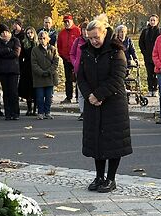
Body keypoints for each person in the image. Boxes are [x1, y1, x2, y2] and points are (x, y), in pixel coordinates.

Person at [77, 14, 132, 193]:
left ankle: (111, 178)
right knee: (96, 141)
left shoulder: (116, 50)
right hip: (93, 102)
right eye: (90, 37)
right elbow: (81, 77)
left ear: (104, 33)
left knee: (113, 142)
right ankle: (99, 176)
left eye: (96, 37)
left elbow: (117, 78)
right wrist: (89, 96)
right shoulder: (86, 51)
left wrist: (99, 95)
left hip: (113, 103)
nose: (93, 41)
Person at [0, 24, 21, 120]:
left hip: (13, 70)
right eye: (2, 33)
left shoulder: (15, 40)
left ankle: (15, 112)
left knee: (13, 92)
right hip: (2, 71)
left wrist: (3, 54)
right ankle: (8, 113)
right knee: (6, 92)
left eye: (6, 32)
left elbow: (16, 53)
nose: (5, 34)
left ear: (9, 33)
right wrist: (7, 50)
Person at [31, 31, 59, 120]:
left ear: (48, 39)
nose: (42, 40)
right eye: (40, 38)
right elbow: (34, 64)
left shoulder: (53, 49)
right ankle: (40, 112)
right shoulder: (35, 50)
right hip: (39, 77)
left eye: (43, 38)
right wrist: (41, 72)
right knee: (39, 97)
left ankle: (47, 112)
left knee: (48, 97)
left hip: (50, 77)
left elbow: (56, 62)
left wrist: (49, 71)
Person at [58, 14, 81, 104]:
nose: (67, 23)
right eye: (65, 22)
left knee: (78, 78)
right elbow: (59, 46)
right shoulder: (62, 33)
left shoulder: (77, 31)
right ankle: (68, 97)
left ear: (72, 21)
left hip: (76, 58)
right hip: (66, 59)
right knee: (68, 79)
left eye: (68, 21)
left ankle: (78, 97)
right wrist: (62, 55)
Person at [70, 21, 89, 121]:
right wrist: (75, 62)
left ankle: (90, 111)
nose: (85, 32)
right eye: (83, 30)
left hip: (90, 70)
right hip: (79, 70)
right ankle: (83, 112)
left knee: (89, 91)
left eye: (87, 30)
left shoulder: (92, 41)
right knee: (81, 92)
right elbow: (72, 54)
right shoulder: (78, 41)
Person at [139, 14, 161, 97]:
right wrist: (144, 52)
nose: (152, 22)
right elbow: (141, 43)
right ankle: (150, 89)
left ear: (157, 21)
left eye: (154, 20)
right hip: (147, 56)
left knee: (156, 73)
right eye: (151, 20)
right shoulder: (145, 31)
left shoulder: (159, 31)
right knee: (149, 73)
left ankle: (155, 89)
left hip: (157, 56)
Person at [19, 26, 38, 116]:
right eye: (28, 33)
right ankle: (29, 108)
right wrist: (21, 66)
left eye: (31, 33)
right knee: (28, 89)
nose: (30, 35)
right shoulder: (24, 43)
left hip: (36, 67)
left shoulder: (37, 44)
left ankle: (35, 109)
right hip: (27, 67)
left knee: (36, 89)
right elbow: (20, 56)